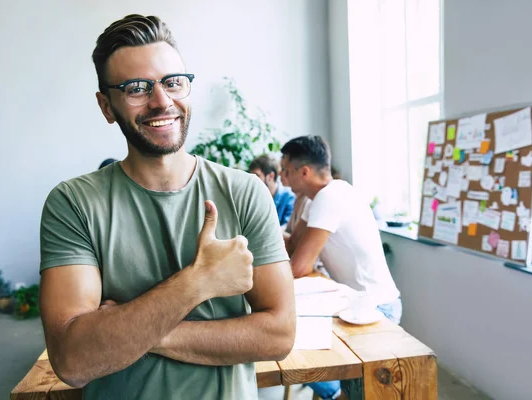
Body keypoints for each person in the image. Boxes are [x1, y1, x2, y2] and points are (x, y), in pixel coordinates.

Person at [38, 14, 295, 400]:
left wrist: (138, 331)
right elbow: (74, 362)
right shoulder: (73, 204)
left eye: (173, 82)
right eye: (137, 88)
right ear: (107, 106)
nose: (162, 102)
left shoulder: (245, 192)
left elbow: (279, 335)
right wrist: (198, 283)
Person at [280, 135, 401, 400]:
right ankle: (340, 394)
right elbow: (291, 248)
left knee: (293, 350)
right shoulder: (315, 199)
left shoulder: (330, 197)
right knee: (291, 341)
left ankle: (338, 395)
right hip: (352, 302)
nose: (282, 177)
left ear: (304, 172)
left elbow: (299, 266)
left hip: (375, 306)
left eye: (286, 171)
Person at [249, 154, 295, 227]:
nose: (252, 181)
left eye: (257, 176)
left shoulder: (289, 198)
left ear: (271, 176)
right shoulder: (254, 196)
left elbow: (286, 229)